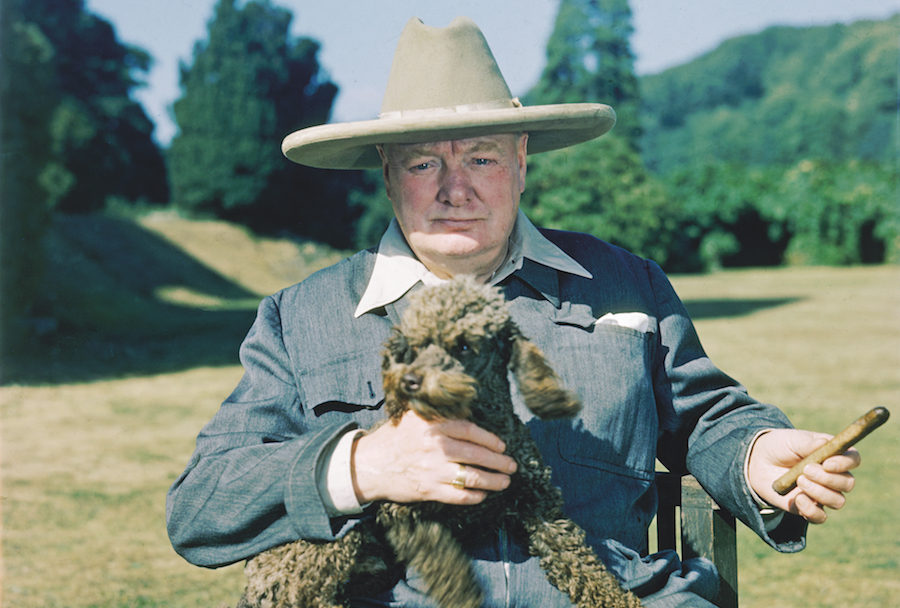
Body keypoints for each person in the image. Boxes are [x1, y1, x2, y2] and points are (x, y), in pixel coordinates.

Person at [166, 17, 860, 608]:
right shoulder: (302, 315)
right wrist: (362, 466)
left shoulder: (626, 284)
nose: (455, 188)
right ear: (385, 171)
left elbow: (710, 416)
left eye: (481, 158)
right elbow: (202, 507)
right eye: (422, 165)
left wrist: (758, 454)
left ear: (522, 160)